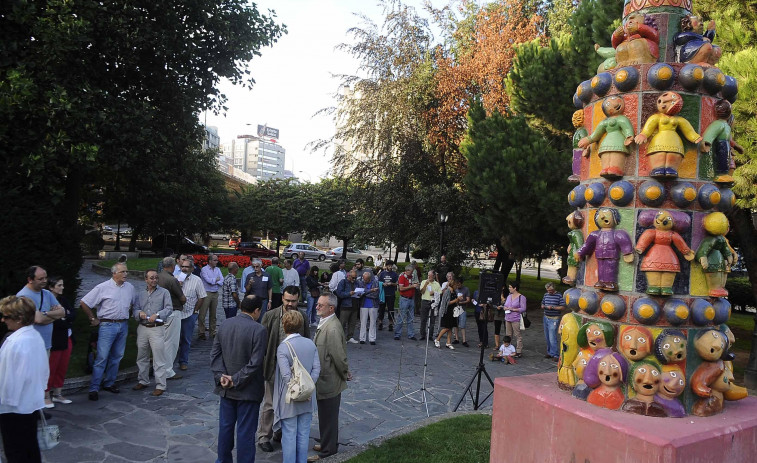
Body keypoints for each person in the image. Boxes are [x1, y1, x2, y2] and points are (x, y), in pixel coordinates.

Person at [210, 296, 267, 463]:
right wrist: (235, 379)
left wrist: (222, 377)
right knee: (246, 432)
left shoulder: (225, 324)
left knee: (226, 428)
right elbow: (255, 363)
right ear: (257, 311)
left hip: (226, 389)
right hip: (248, 391)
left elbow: (215, 354)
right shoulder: (259, 330)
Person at [258, 286, 310, 453]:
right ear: (282, 299)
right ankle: (264, 436)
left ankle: (279, 432)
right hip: (273, 368)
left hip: (294, 371)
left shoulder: (302, 316)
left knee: (288, 403)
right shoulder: (271, 316)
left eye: (293, 301)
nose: (290, 303)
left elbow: (306, 340)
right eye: (287, 300)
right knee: (269, 404)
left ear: (298, 300)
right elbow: (262, 342)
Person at [0, 296, 49, 463]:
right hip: (31, 403)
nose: (3, 320)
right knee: (30, 448)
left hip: (14, 408)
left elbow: (11, 379)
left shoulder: (16, 342)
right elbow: (44, 371)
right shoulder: (34, 336)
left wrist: (6, 402)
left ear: (19, 318)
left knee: (15, 452)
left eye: (6, 316)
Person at [80, 262, 137, 401]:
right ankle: (94, 387)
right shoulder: (103, 287)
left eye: (126, 271)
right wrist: (92, 318)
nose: (126, 274)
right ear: (114, 273)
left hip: (123, 325)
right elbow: (84, 302)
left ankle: (110, 383)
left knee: (117, 356)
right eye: (122, 272)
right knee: (102, 357)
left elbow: (134, 303)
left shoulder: (130, 287)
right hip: (107, 326)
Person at [274, 310, 320, 463]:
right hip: (307, 396)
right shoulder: (310, 343)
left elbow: (286, 375)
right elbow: (316, 369)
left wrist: (297, 391)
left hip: (290, 398)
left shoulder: (283, 347)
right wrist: (306, 389)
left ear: (284, 325)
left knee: (289, 435)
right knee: (303, 434)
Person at [17, 265, 64, 407]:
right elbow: (38, 320)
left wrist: (44, 314)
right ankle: (29, 408)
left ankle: (37, 408)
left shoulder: (47, 294)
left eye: (46, 277)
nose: (45, 281)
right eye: (40, 278)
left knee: (41, 378)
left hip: (46, 345)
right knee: (30, 379)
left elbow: (62, 313)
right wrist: (51, 315)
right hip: (30, 347)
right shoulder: (24, 296)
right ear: (30, 280)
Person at [310, 294, 350, 461]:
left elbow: (339, 356)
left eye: (321, 305)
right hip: (325, 378)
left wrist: (345, 372)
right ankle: (328, 442)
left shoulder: (332, 328)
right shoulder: (327, 322)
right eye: (318, 304)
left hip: (330, 379)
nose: (317, 307)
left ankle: (328, 451)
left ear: (331, 308)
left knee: (328, 415)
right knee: (326, 415)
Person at [132, 270, 173, 396]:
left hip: (157, 328)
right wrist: (139, 313)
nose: (154, 280)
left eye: (156, 278)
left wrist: (158, 314)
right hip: (143, 327)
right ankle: (143, 380)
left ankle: (161, 385)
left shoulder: (164, 292)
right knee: (142, 356)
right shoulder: (140, 293)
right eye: (151, 278)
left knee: (159, 358)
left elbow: (169, 308)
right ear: (146, 279)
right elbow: (135, 308)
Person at [46, 276, 76, 405]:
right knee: (51, 367)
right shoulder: (47, 302)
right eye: (59, 285)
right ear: (51, 287)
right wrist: (63, 317)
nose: (62, 287)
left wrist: (63, 316)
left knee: (62, 366)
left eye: (62, 285)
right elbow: (51, 319)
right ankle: (46, 394)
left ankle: (58, 393)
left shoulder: (63, 300)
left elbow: (72, 314)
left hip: (66, 337)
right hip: (54, 338)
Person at [157, 256, 186, 382]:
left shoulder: (158, 277)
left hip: (159, 312)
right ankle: (168, 370)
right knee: (171, 343)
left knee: (161, 342)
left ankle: (159, 367)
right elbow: (182, 298)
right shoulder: (172, 280)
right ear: (173, 266)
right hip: (173, 311)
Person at [176, 256, 206, 372]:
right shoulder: (176, 278)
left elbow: (202, 297)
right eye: (182, 266)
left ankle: (183, 361)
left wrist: (195, 311)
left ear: (192, 269)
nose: (184, 269)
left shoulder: (197, 280)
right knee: (173, 339)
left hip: (189, 314)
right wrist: (178, 285)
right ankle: (171, 361)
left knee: (186, 339)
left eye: (187, 267)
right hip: (177, 313)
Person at [198, 253, 223, 340]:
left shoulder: (218, 269)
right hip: (206, 292)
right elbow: (208, 281)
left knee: (213, 314)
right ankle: (201, 332)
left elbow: (221, 280)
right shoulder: (204, 269)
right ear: (210, 261)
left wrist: (215, 281)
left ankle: (213, 331)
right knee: (202, 313)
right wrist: (216, 280)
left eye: (217, 260)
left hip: (215, 293)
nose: (217, 261)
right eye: (215, 260)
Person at [541, 282, 566, 362]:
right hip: (546, 317)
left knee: (552, 337)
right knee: (547, 336)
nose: (549, 292)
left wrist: (552, 307)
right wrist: (543, 306)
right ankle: (550, 352)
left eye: (550, 291)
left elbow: (562, 307)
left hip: (554, 318)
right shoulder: (546, 295)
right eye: (548, 290)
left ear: (554, 289)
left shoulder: (558, 296)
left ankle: (555, 354)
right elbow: (543, 302)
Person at [502, 282, 527, 358]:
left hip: (515, 318)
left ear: (515, 288)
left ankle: (519, 350)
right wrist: (505, 308)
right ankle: (508, 349)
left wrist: (513, 309)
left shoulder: (521, 297)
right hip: (508, 317)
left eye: (510, 287)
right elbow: (505, 305)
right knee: (508, 334)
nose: (509, 289)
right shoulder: (509, 296)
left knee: (517, 334)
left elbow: (523, 308)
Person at [394, 265, 418, 341]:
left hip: (411, 298)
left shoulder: (412, 277)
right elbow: (401, 288)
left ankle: (411, 334)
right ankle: (397, 334)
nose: (412, 273)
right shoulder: (402, 277)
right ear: (407, 271)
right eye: (411, 272)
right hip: (404, 299)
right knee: (401, 317)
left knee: (410, 317)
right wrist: (411, 286)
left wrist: (416, 286)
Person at [434, 279, 460, 350]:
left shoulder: (454, 292)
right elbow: (447, 303)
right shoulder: (447, 291)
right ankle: (437, 339)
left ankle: (448, 342)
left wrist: (457, 301)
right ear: (453, 285)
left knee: (450, 327)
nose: (457, 286)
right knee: (446, 327)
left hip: (453, 311)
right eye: (456, 285)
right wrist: (457, 300)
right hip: (447, 311)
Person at [336, 269, 360, 344]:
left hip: (354, 305)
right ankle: (341, 338)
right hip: (345, 305)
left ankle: (350, 336)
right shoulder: (343, 282)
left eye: (355, 277)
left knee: (352, 323)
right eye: (353, 277)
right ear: (348, 276)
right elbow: (339, 293)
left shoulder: (357, 283)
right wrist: (349, 294)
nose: (354, 279)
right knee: (343, 323)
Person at [357, 270, 380, 345]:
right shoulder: (361, 282)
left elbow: (375, 295)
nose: (364, 280)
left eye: (366, 279)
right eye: (364, 278)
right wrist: (371, 290)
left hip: (373, 305)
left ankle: (372, 338)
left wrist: (365, 293)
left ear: (369, 278)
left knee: (373, 322)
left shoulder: (375, 282)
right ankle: (362, 338)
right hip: (363, 305)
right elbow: (359, 293)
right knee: (363, 322)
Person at [419, 270, 441, 341]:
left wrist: (434, 293)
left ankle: (430, 335)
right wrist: (426, 284)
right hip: (425, 301)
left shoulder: (437, 284)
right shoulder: (423, 282)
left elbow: (440, 293)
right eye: (428, 275)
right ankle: (422, 334)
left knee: (432, 319)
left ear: (434, 276)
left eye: (431, 276)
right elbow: (422, 292)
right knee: (423, 319)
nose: (429, 277)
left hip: (433, 301)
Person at [377, 260, 398, 331]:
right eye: (389, 266)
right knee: (381, 308)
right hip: (383, 293)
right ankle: (380, 322)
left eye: (391, 266)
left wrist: (391, 284)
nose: (390, 267)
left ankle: (390, 323)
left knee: (391, 309)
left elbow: (397, 283)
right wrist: (383, 284)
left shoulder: (394, 274)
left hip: (391, 293)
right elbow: (379, 282)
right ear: (386, 266)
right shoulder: (382, 274)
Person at [451, 277, 471, 347]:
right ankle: (456, 338)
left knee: (462, 325)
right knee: (455, 324)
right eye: (457, 284)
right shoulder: (455, 289)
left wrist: (462, 302)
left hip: (462, 308)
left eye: (459, 284)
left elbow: (468, 299)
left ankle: (464, 340)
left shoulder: (466, 289)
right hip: (455, 308)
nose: (458, 285)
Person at [492, 286, 507, 350]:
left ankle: (507, 343)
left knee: (507, 330)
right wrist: (496, 307)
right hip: (497, 314)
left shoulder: (507, 295)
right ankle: (497, 345)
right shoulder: (495, 294)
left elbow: (507, 303)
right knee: (497, 330)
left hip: (505, 314)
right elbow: (493, 303)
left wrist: (503, 298)